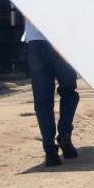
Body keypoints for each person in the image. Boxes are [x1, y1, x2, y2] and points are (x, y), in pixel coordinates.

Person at [24, 18, 79, 168]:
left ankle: (50, 151)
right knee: (69, 91)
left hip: (36, 43)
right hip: (63, 40)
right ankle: (65, 136)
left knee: (43, 101)